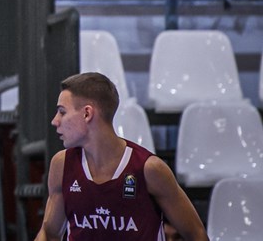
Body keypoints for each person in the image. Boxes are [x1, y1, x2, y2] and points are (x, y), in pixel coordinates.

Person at [35, 72, 207, 241]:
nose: (55, 121)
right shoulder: (62, 164)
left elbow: (197, 234)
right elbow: (50, 234)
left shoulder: (149, 169)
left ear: (87, 113)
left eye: (62, 112)